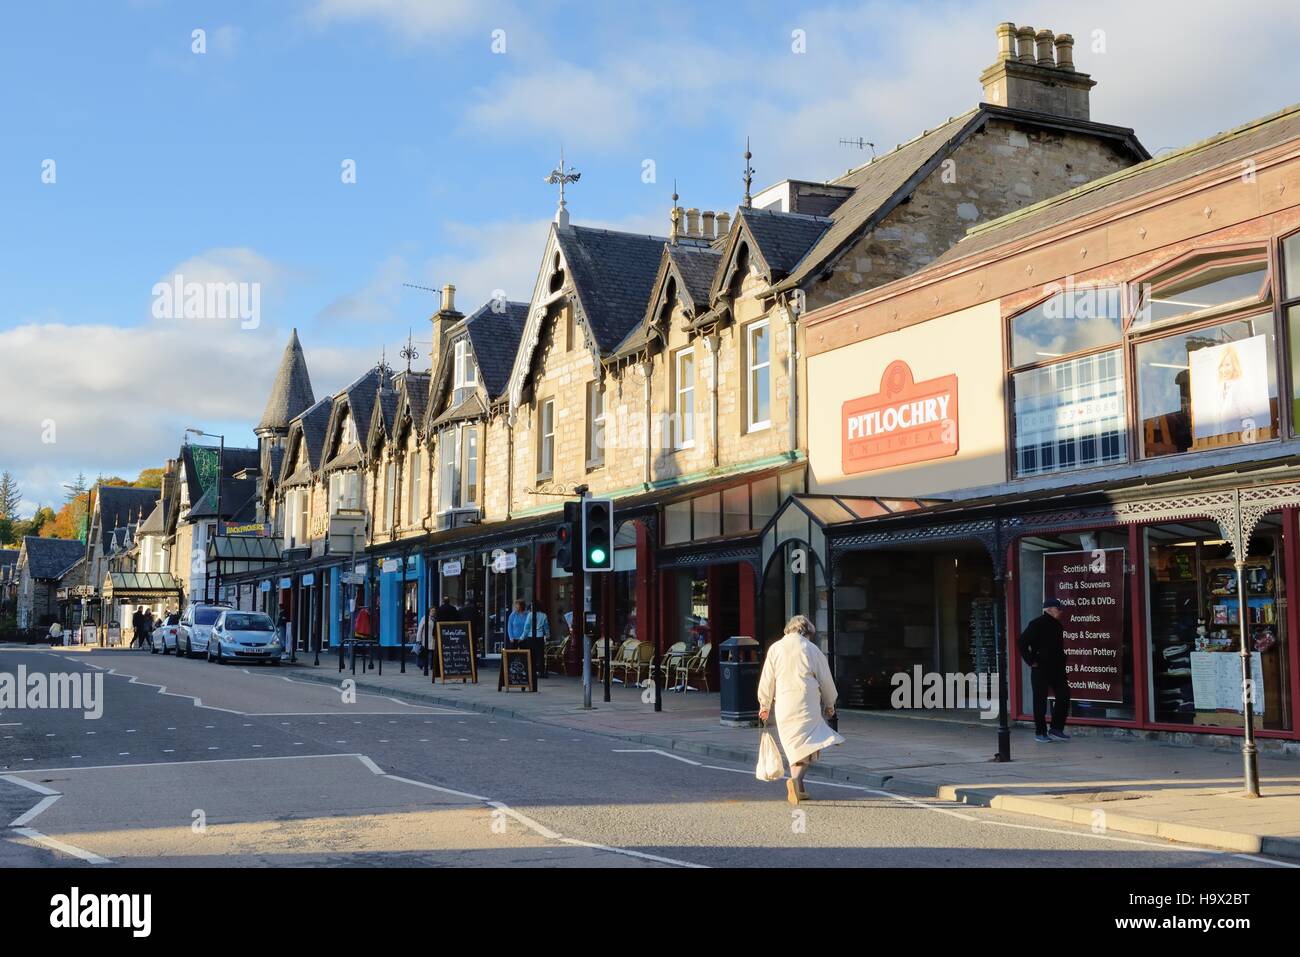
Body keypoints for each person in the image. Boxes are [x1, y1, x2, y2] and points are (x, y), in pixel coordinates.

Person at [757, 615, 844, 806]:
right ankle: (795, 781)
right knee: (808, 745)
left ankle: (800, 788)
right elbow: (826, 680)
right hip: (806, 703)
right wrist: (830, 704)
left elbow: (767, 679)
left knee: (794, 746)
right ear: (807, 632)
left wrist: (764, 705)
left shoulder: (776, 648)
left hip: (784, 704)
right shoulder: (811, 649)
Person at [1019, 597, 1071, 743]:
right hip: (1041, 667)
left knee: (1064, 696)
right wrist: (1031, 661)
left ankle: (1056, 728)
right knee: (1040, 700)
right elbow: (1022, 643)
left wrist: (1063, 658)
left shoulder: (1058, 625)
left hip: (1057, 668)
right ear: (1049, 609)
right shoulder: (1036, 624)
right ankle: (1040, 732)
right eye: (1058, 609)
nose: (1060, 612)